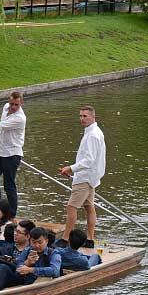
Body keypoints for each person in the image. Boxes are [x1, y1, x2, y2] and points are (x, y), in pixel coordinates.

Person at [58, 105, 106, 248]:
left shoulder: (92, 135)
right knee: (89, 206)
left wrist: (71, 168)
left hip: (85, 177)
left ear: (93, 117)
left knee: (71, 207)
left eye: (85, 116)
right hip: (91, 177)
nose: (82, 119)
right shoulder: (94, 131)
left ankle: (65, 239)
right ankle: (90, 239)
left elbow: (89, 159)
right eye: (80, 116)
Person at [0, 227, 61, 292]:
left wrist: (31, 269)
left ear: (46, 241)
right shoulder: (27, 251)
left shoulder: (54, 253)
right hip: (24, 281)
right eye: (34, 242)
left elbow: (55, 271)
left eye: (40, 242)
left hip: (39, 283)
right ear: (30, 241)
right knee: (2, 267)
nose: (37, 245)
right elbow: (18, 269)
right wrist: (27, 263)